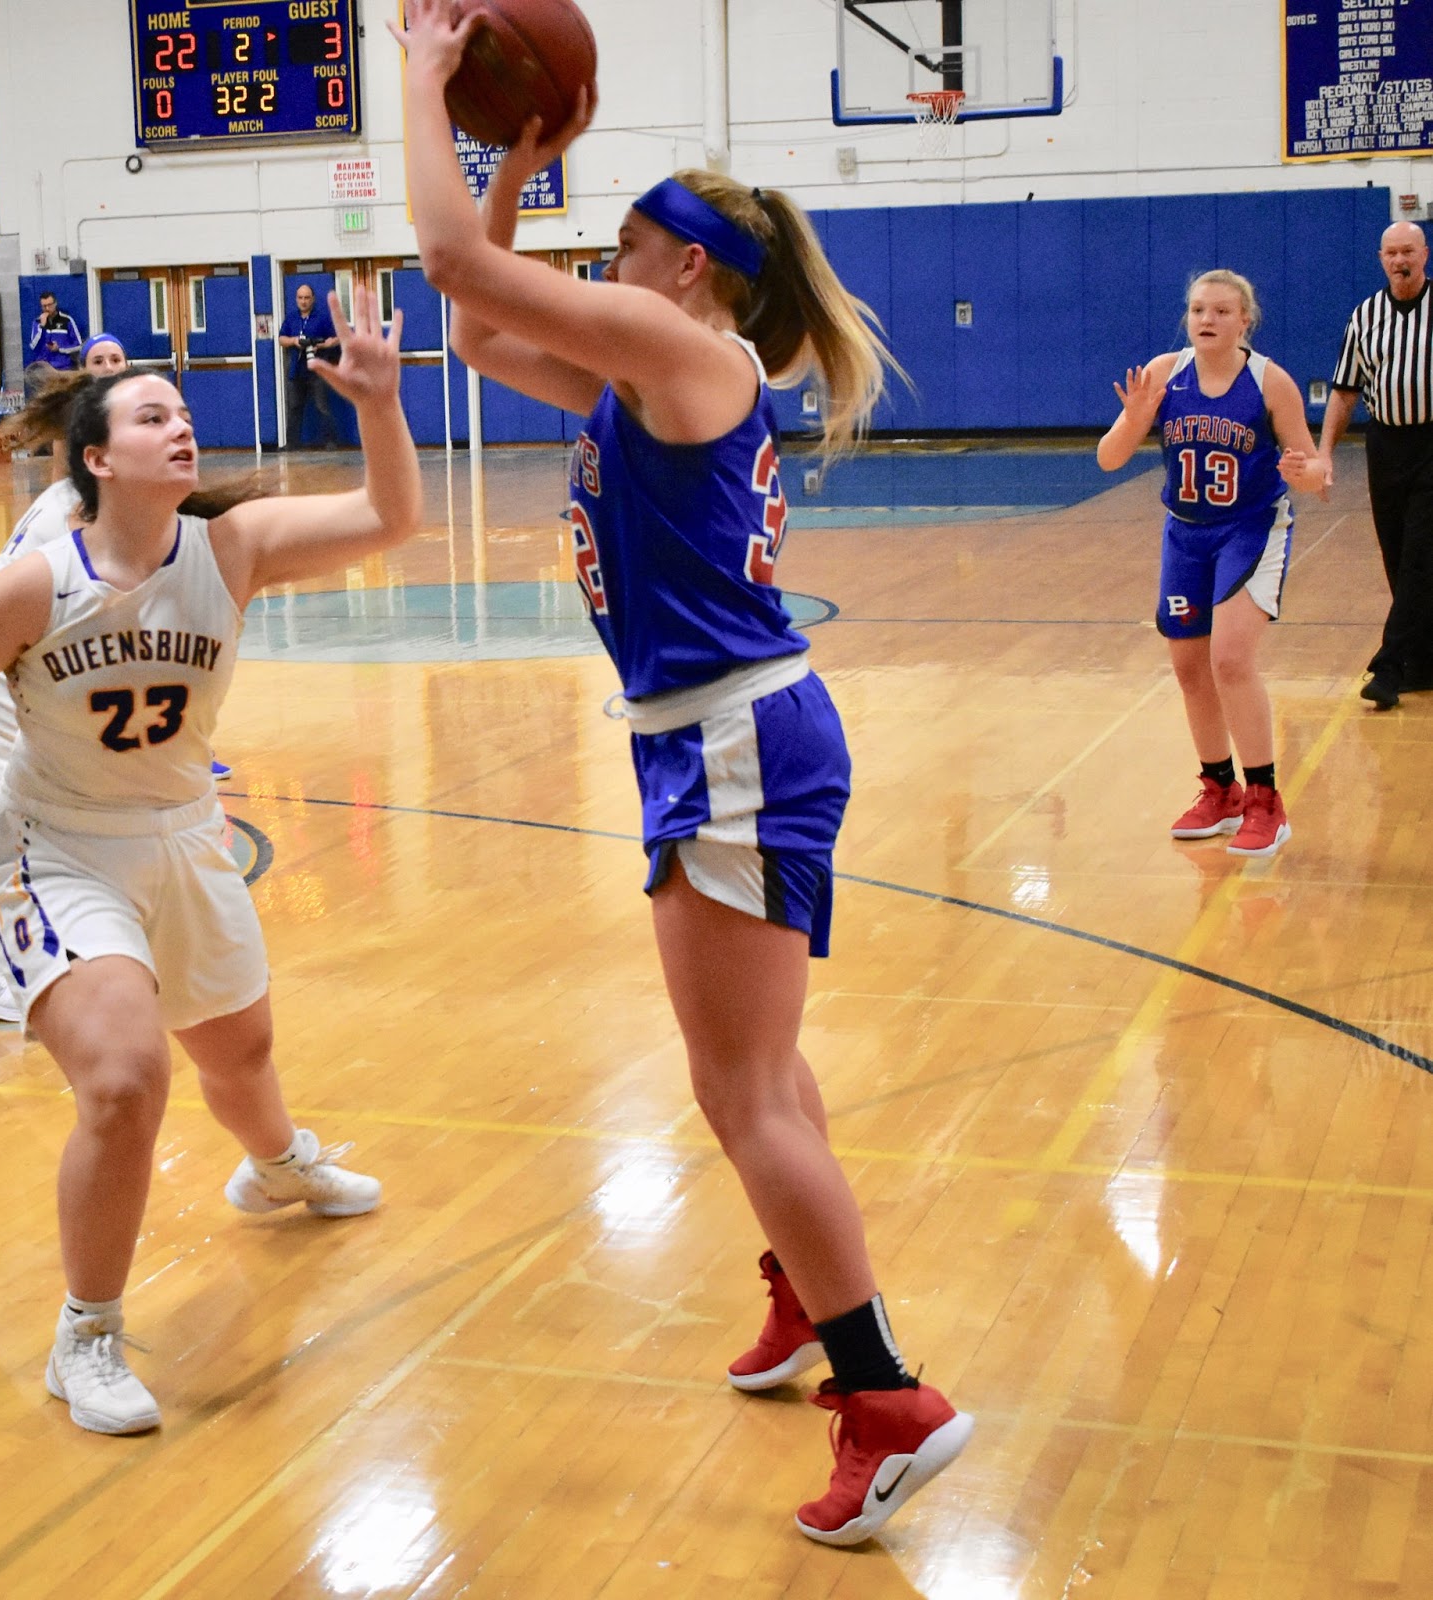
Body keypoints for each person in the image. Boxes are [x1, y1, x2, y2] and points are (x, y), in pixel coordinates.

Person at [392, 0, 974, 1548]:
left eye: (628, 239)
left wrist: (422, 79)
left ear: (687, 266)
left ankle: (886, 1397)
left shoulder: (677, 348)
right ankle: (804, 1291)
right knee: (766, 1078)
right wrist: (511, 162)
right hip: (722, 737)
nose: (608, 262)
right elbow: (476, 328)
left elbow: (450, 269)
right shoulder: (642, 370)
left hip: (729, 742)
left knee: (737, 1095)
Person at [0, 287, 421, 1435]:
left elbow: (388, 517)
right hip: (58, 850)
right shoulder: (37, 582)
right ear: (98, 458)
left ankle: (275, 1164)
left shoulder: (228, 548)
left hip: (182, 837)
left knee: (240, 1055)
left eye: (181, 411)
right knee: (128, 1077)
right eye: (150, 416)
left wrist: (381, 401)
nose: (179, 426)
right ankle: (84, 1332)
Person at [0, 332, 238, 1028]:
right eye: (150, 416)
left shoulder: (81, 490)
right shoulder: (85, 515)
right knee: (27, 833)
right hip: (3, 682)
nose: (174, 428)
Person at [1096, 270, 1325, 858]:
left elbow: (1317, 468)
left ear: (1244, 319)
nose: (1207, 320)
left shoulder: (1270, 382)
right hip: (1185, 535)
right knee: (1190, 667)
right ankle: (1218, 789)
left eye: (1222, 311)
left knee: (1229, 660)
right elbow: (1108, 458)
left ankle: (1265, 801)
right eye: (1198, 309)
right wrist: (1134, 419)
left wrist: (1309, 473)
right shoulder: (1162, 374)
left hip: (1250, 531)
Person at [1319, 221, 1433, 710]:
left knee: (1419, 553)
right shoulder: (1365, 316)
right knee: (1396, 551)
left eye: (1408, 250)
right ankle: (1424, 663)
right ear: (1381, 259)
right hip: (1385, 445)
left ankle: (1389, 665)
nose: (1400, 260)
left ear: (1424, 254)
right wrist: (1325, 453)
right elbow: (1344, 392)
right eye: (1391, 253)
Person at [277, 282, 341, 450]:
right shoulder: (291, 318)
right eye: (300, 298)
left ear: (313, 299)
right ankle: (292, 443)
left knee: (322, 406)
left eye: (306, 298)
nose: (303, 301)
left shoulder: (322, 318)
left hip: (317, 370)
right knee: (294, 408)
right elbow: (281, 339)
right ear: (296, 299)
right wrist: (294, 341)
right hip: (296, 371)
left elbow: (337, 337)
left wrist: (321, 345)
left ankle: (330, 441)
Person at [27, 290, 84, 373]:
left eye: (49, 305)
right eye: (44, 306)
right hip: (43, 370)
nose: (47, 309)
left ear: (55, 303)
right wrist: (42, 326)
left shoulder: (67, 320)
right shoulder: (37, 322)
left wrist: (59, 349)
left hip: (63, 368)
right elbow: (33, 346)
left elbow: (79, 345)